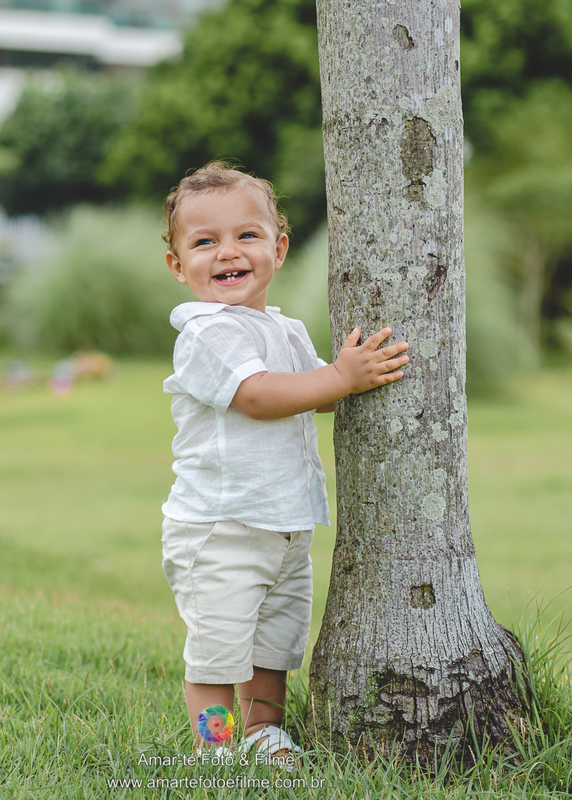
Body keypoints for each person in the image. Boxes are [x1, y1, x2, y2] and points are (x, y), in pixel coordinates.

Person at [159, 162, 409, 765]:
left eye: (247, 235)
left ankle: (263, 733)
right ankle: (215, 746)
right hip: (221, 528)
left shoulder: (285, 330)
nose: (228, 252)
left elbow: (311, 394)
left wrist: (343, 379)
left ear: (279, 248)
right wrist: (342, 378)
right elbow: (258, 397)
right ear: (177, 265)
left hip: (285, 524)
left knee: (274, 647)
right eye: (205, 242)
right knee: (218, 653)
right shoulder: (205, 332)